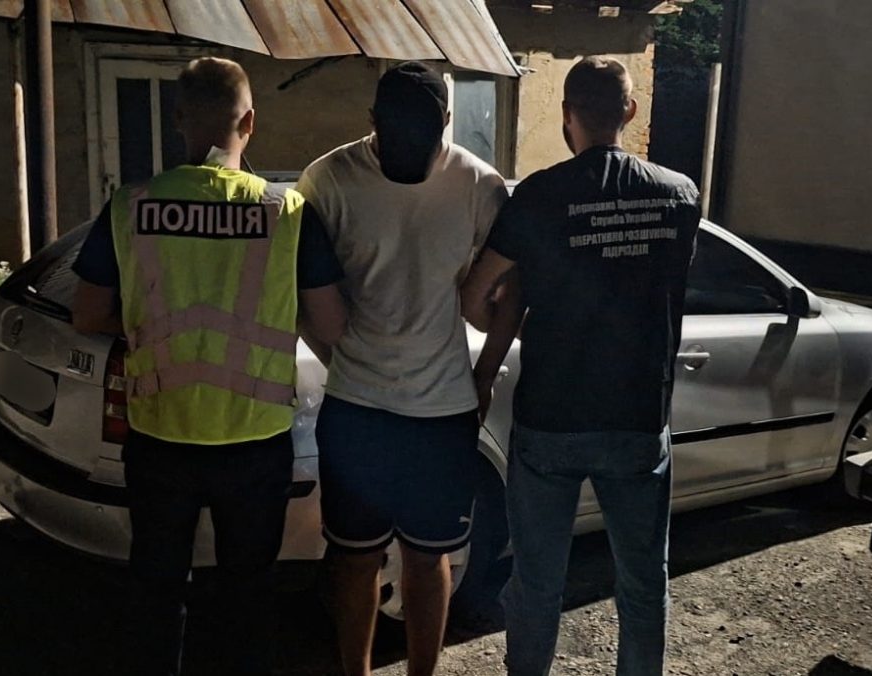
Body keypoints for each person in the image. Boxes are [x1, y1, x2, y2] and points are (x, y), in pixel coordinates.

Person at [71, 57, 346, 676]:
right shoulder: (287, 211)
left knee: (156, 589)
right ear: (249, 122)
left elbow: (88, 314)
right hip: (254, 441)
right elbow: (330, 327)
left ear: (179, 120)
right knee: (247, 596)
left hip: (159, 435)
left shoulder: (130, 206)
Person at [461, 56, 701, 676]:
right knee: (643, 584)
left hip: (551, 417)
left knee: (537, 584)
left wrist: (513, 331)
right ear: (630, 111)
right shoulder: (680, 195)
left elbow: (477, 295)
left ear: (567, 114)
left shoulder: (539, 196)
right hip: (637, 417)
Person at [296, 61, 510, 676]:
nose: (407, 152)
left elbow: (510, 288)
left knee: (428, 556)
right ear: (372, 122)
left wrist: (485, 374)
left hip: (442, 414)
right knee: (354, 559)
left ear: (447, 120)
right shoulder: (328, 180)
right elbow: (302, 292)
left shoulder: (480, 185)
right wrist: (341, 363)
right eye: (394, 137)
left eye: (423, 136)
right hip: (357, 410)